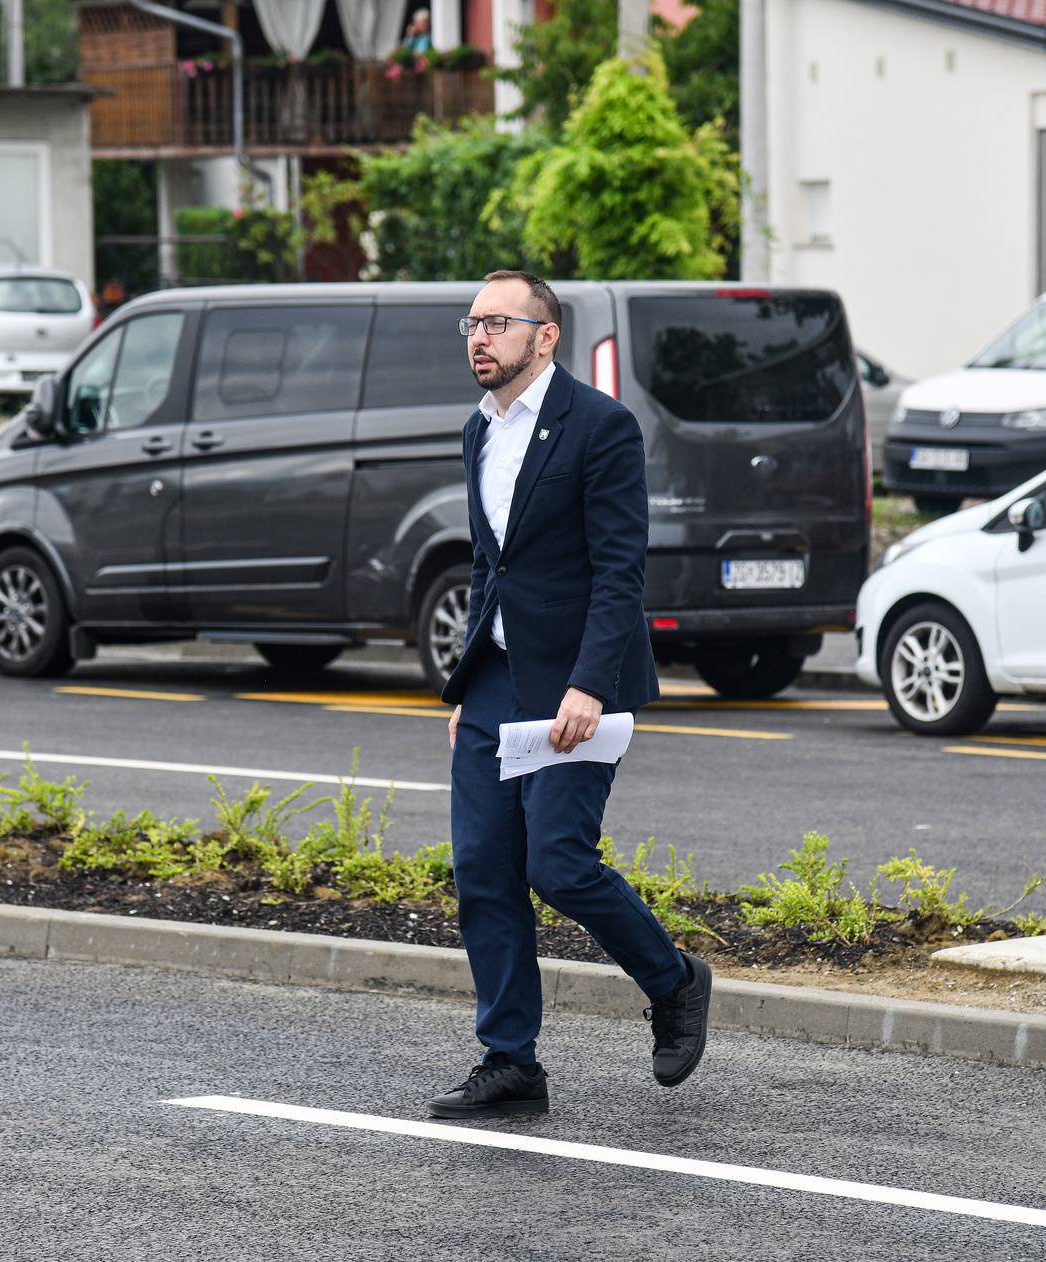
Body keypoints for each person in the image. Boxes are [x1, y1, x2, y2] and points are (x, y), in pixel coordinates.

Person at [425, 270, 712, 1120]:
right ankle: (510, 1062)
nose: (480, 337)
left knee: (557, 863)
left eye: (498, 323)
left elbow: (621, 571)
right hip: (494, 682)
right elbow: (490, 565)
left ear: (545, 336)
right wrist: (465, 680)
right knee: (483, 871)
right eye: (471, 322)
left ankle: (674, 980)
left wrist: (589, 683)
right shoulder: (479, 432)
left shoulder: (601, 426)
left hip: (577, 682)